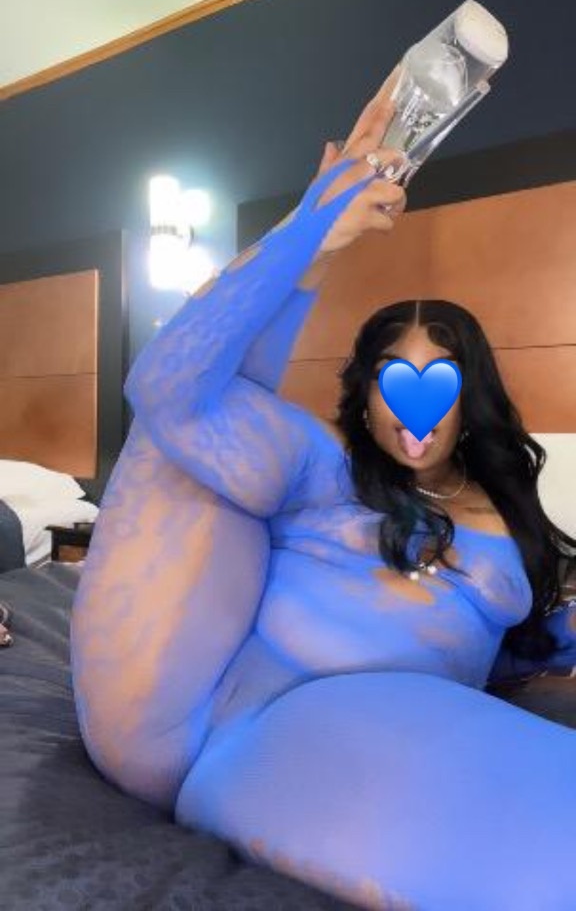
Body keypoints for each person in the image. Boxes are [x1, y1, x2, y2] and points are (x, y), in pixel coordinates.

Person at [71, 69, 576, 911]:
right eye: (391, 379)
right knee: (187, 415)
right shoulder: (326, 466)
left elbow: (524, 646)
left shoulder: (513, 521)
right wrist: (316, 234)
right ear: (364, 395)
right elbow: (169, 392)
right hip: (216, 702)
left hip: (348, 724)